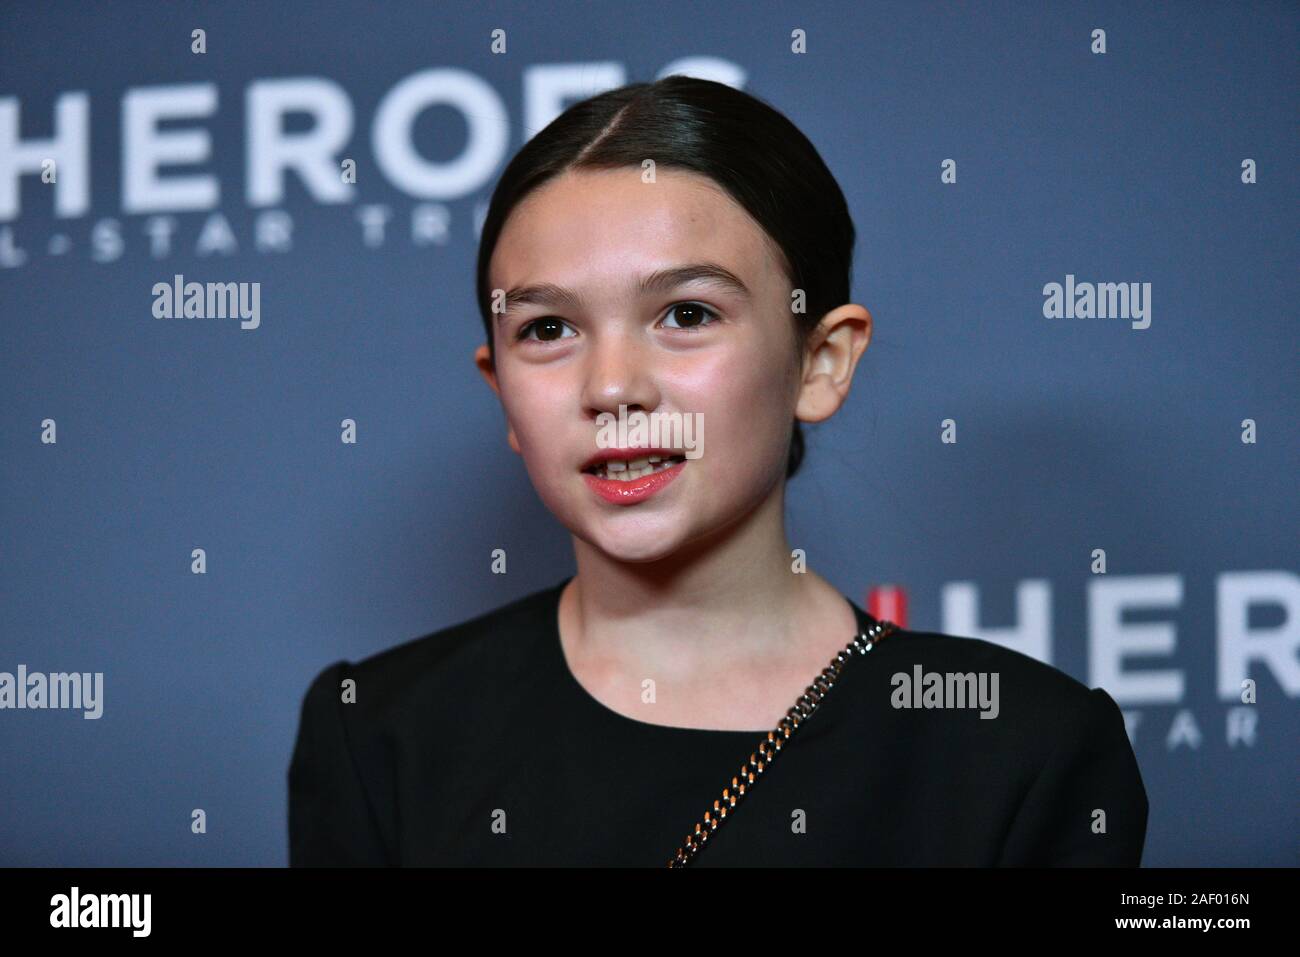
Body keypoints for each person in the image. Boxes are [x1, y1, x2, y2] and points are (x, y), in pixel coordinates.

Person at [288, 75, 1148, 867]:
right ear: (502, 390)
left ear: (821, 361)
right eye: (548, 329)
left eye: (687, 312)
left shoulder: (1017, 747)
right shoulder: (380, 734)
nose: (612, 386)